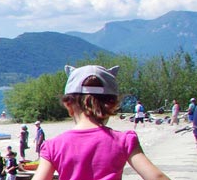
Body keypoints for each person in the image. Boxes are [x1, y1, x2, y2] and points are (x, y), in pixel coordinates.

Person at [33, 65, 168, 180]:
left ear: (68, 104)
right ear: (112, 104)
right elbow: (157, 177)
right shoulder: (124, 140)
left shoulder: (53, 146)